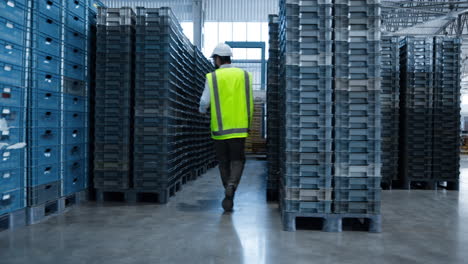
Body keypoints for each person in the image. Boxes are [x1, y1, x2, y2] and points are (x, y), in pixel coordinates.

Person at [199, 43, 254, 212]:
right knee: (238, 160)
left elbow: (204, 102)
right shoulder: (245, 76)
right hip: (239, 128)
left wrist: (202, 111)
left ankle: (227, 189)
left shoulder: (213, 77)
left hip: (220, 130)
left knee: (223, 162)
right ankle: (232, 185)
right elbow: (250, 102)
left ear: (217, 59)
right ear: (230, 58)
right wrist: (248, 123)